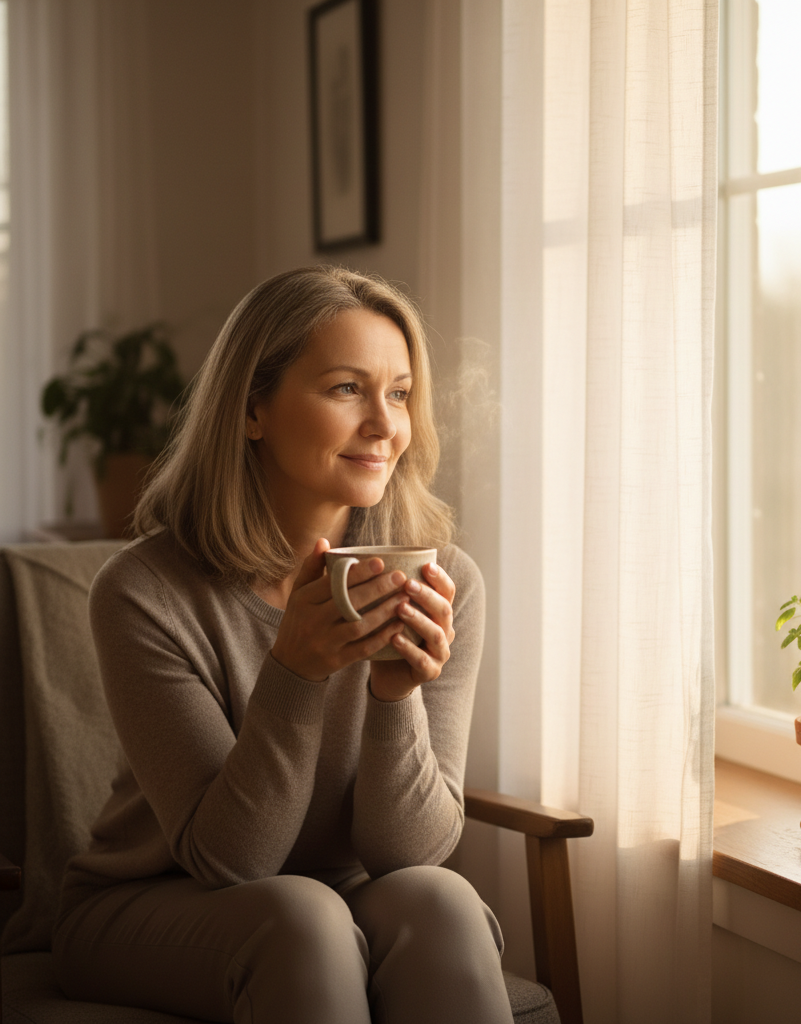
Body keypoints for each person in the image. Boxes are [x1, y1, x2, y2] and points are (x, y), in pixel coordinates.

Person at [53, 266, 514, 1024]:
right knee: (302, 918)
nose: (385, 424)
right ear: (252, 410)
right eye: (346, 389)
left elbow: (410, 855)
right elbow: (228, 859)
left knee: (444, 901)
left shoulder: (444, 579)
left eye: (400, 393)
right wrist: (295, 672)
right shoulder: (143, 592)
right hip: (149, 902)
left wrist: (395, 693)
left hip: (339, 894)